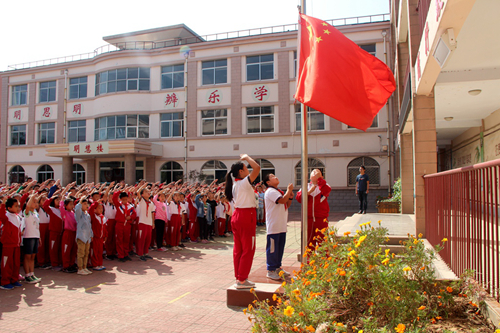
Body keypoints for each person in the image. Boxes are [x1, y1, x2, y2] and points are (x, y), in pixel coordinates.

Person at [225, 154, 260, 289]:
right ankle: (242, 279)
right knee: (248, 249)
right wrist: (246, 157)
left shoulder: (235, 184)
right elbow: (257, 168)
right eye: (246, 168)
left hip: (238, 216)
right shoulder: (244, 182)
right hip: (245, 216)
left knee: (238, 249)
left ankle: (240, 278)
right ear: (241, 171)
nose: (248, 170)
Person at [263, 174, 293, 280]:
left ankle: (277, 267)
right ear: (268, 182)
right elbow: (282, 201)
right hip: (274, 225)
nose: (275, 177)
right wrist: (288, 191)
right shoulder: (270, 191)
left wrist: (290, 196)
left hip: (281, 225)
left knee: (279, 248)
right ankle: (271, 270)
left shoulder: (278, 191)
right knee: (272, 249)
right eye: (272, 176)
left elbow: (286, 204)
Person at [296, 169, 331, 252]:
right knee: (309, 242)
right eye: (313, 172)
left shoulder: (324, 185)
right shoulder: (305, 187)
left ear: (321, 176)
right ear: (310, 177)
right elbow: (299, 199)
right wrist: (308, 192)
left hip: (321, 218)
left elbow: (326, 191)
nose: (315, 173)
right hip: (308, 219)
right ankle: (309, 262)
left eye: (317, 172)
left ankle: (324, 261)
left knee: (323, 242)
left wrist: (320, 180)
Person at [0, 198, 24, 290]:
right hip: (8, 245)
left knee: (16, 263)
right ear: (9, 208)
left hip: (16, 244)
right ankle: (5, 282)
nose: (18, 208)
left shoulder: (17, 216)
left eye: (18, 206)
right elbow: (1, 215)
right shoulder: (6, 215)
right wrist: (3, 203)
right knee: (7, 264)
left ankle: (14, 279)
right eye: (15, 206)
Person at [22, 193, 43, 283]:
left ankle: (32, 274)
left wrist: (39, 237)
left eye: (37, 202)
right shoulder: (27, 212)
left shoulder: (35, 213)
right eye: (34, 202)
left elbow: (37, 226)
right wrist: (32, 196)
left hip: (35, 236)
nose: (36, 204)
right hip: (28, 236)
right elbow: (28, 205)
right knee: (27, 256)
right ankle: (27, 275)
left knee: (33, 256)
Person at [113, 191, 137, 262]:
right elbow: (114, 197)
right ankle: (121, 255)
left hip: (127, 225)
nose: (125, 201)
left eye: (126, 199)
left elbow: (134, 214)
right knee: (120, 240)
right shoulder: (118, 205)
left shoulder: (130, 206)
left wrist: (130, 217)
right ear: (120, 199)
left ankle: (126, 254)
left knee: (126, 240)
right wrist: (120, 191)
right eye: (123, 199)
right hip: (120, 225)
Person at [136, 186, 155, 261]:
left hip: (149, 223)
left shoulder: (151, 203)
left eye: (149, 192)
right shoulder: (141, 200)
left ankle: (145, 252)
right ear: (142, 194)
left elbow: (152, 213)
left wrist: (153, 223)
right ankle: (140, 254)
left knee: (148, 239)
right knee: (141, 239)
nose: (148, 193)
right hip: (142, 222)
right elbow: (138, 192)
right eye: (146, 192)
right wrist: (143, 186)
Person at [74, 199, 93, 275]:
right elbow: (77, 209)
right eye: (84, 204)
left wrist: (91, 235)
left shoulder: (87, 215)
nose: (86, 205)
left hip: (87, 237)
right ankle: (80, 268)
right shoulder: (79, 215)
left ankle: (85, 267)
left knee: (86, 253)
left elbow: (89, 226)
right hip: (81, 237)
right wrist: (80, 202)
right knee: (81, 253)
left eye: (86, 204)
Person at [89, 200, 107, 271]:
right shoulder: (93, 216)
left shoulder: (103, 217)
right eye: (99, 208)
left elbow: (105, 228)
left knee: (100, 252)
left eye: (101, 208)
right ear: (95, 209)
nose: (101, 210)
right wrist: (96, 203)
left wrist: (105, 235)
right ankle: (95, 264)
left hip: (101, 238)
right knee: (94, 252)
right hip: (95, 238)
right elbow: (90, 210)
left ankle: (100, 264)